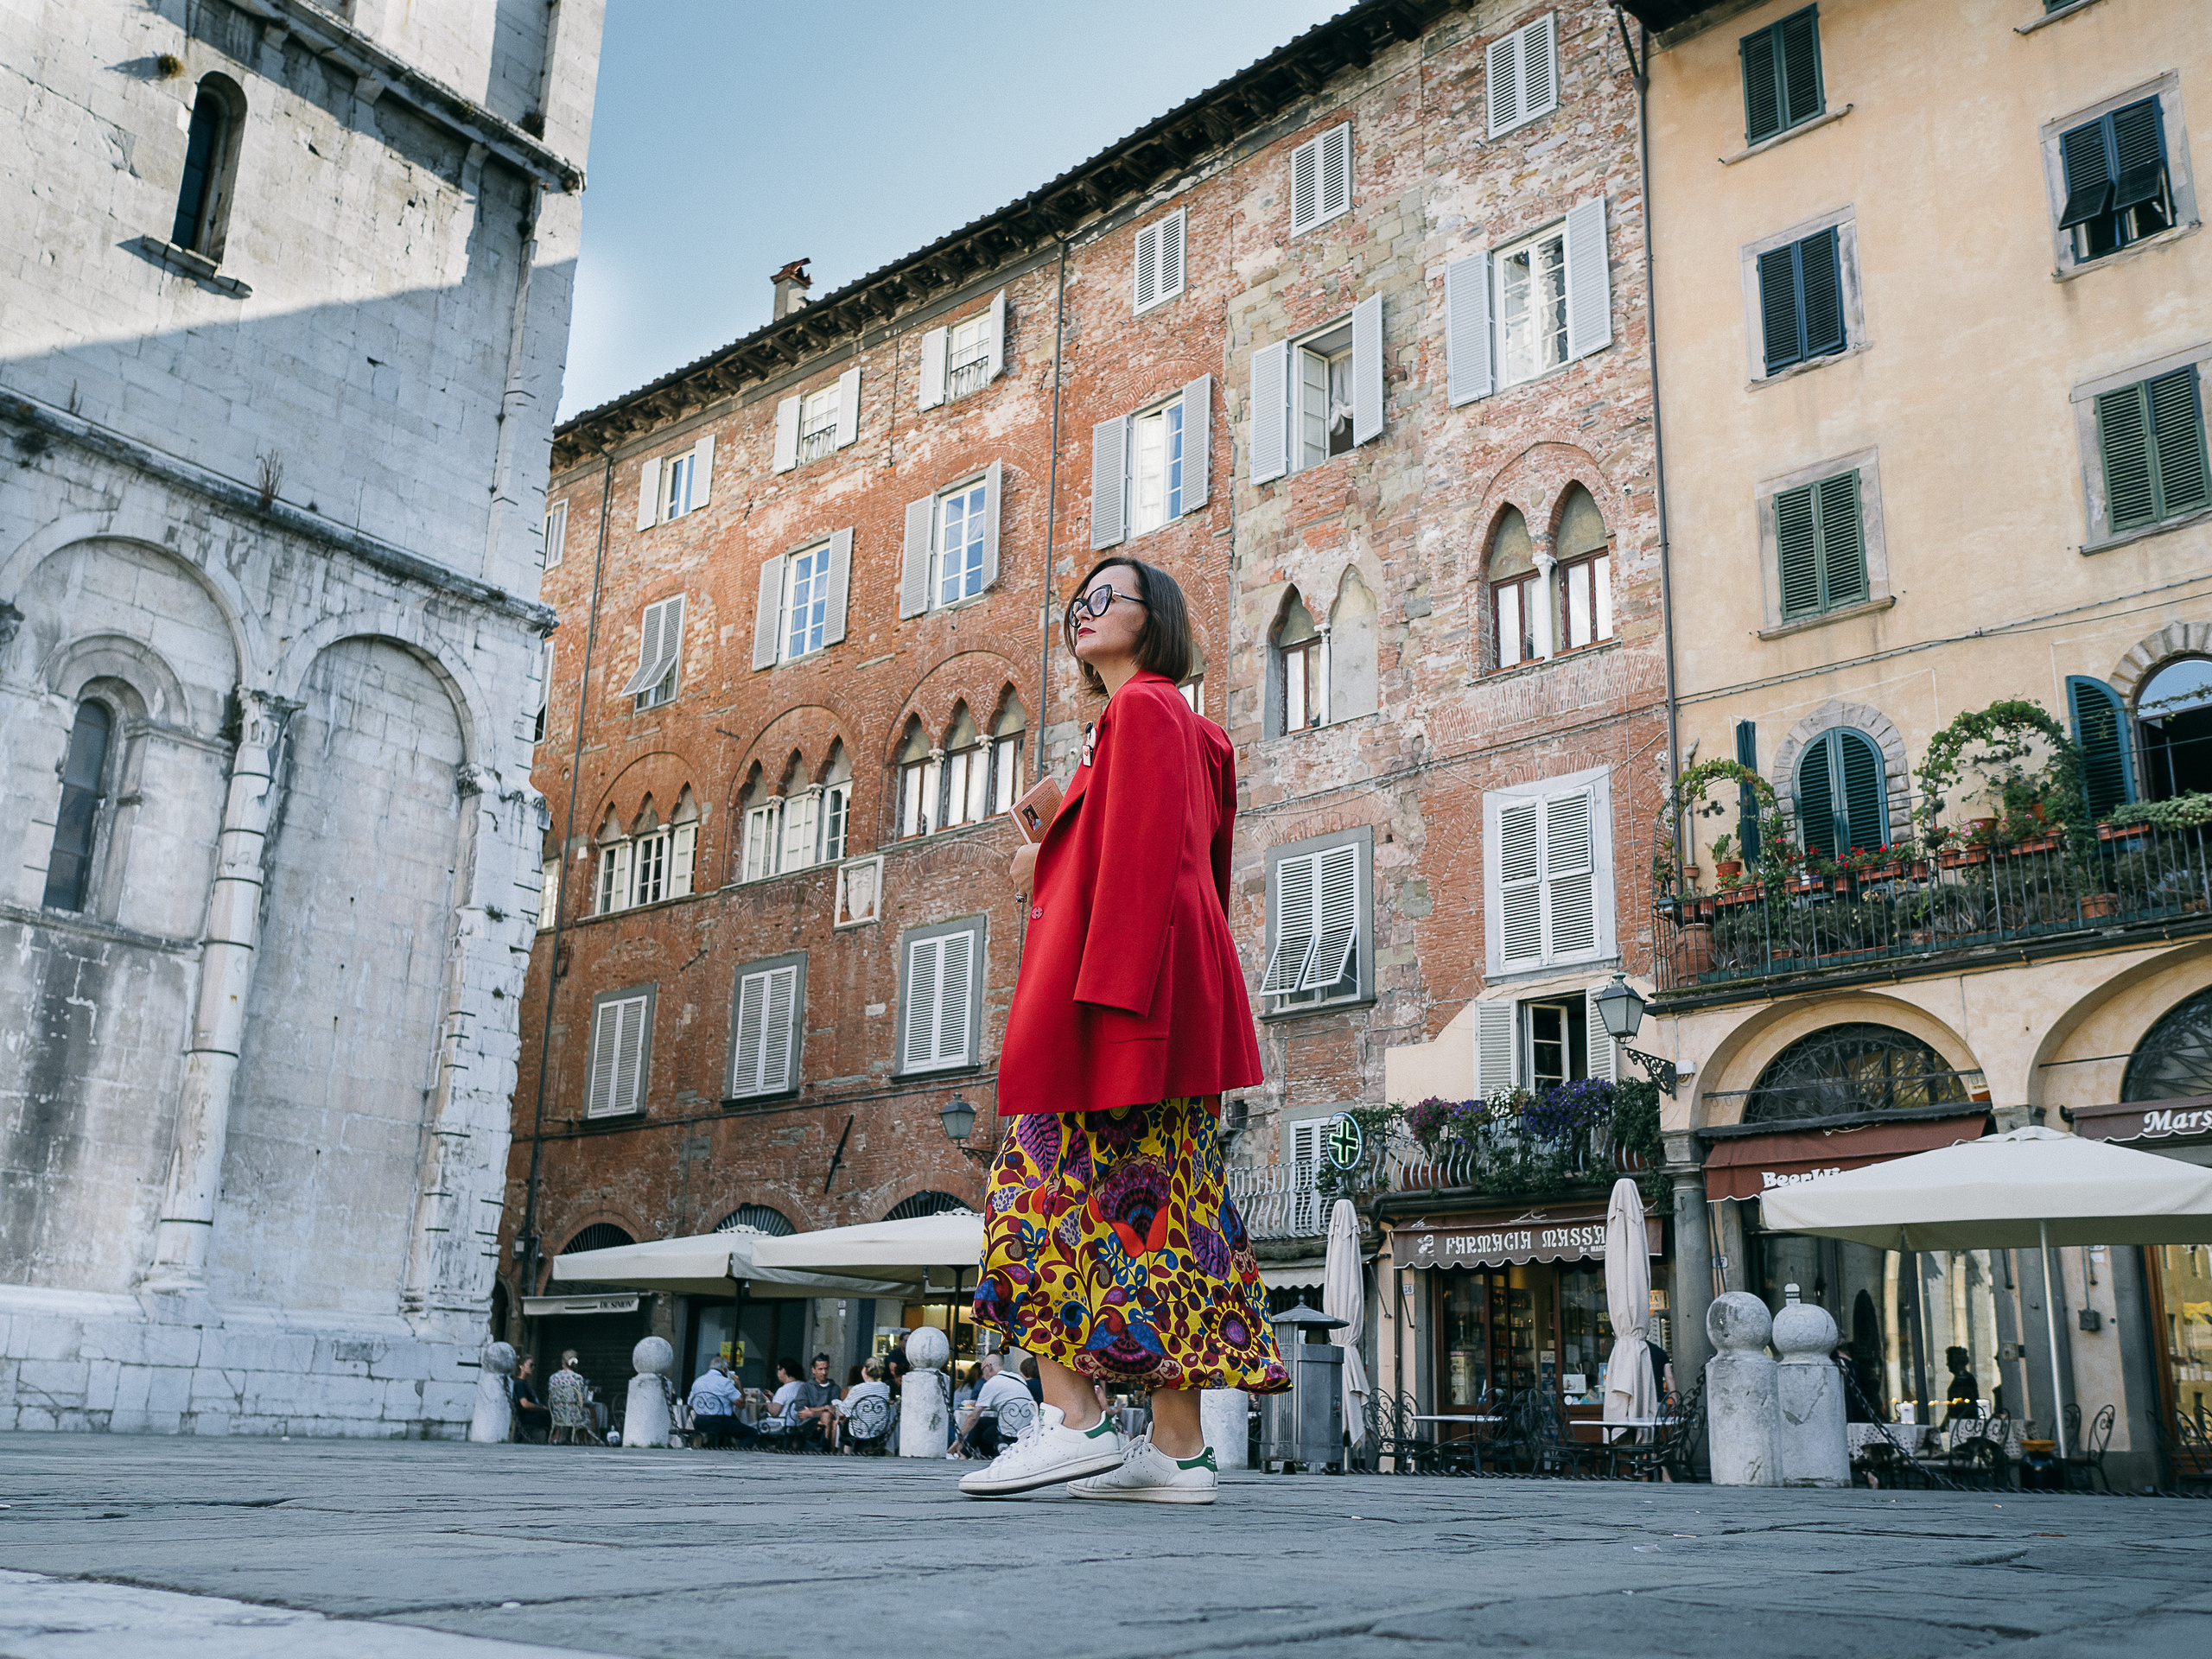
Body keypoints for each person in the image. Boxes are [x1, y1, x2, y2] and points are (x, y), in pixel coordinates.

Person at [964, 555, 1290, 1505]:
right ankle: (1181, 1451)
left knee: (1024, 1202)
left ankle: (1072, 1417)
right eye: (1076, 601)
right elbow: (1191, 872)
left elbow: (1146, 870)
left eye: (1107, 597)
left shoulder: (1143, 712)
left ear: (1157, 620)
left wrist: (1044, 880)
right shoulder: (1170, 728)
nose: (1084, 611)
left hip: (1122, 1013)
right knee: (1170, 1220)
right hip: (1168, 1007)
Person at [948, 1352, 1033, 1460]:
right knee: (983, 1422)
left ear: (988, 1367)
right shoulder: (1017, 1378)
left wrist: (958, 1441)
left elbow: (973, 1417)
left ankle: (965, 1455)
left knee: (981, 1429)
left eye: (982, 1370)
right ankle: (966, 1454)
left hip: (1009, 1434)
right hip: (1026, 1429)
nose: (982, 1375)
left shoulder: (991, 1383)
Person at [687, 1357, 743, 1448]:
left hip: (699, 1422)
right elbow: (741, 1405)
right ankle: (740, 1455)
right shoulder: (725, 1382)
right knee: (751, 1433)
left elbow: (690, 1405)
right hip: (719, 1423)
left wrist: (704, 1410)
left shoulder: (698, 1381)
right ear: (725, 1369)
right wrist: (739, 1384)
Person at [511, 1355, 550, 1443]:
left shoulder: (523, 1383)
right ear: (521, 1367)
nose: (533, 1367)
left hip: (529, 1414)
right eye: (531, 1365)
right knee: (551, 1416)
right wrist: (541, 1408)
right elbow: (524, 1404)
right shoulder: (519, 1384)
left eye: (534, 1365)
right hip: (526, 1416)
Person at [1942, 1345, 1981, 1427]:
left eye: (1949, 1360)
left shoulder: (1964, 1380)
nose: (1947, 1364)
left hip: (1965, 1425)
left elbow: (1958, 1407)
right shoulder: (1962, 1378)